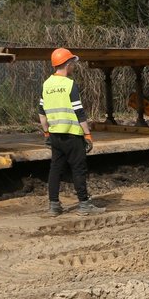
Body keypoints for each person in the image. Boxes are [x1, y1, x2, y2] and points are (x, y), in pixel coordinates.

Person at [38, 48, 103, 217]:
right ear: (67, 64)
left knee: (55, 169)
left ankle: (54, 206)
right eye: (72, 63)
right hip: (73, 135)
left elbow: (41, 112)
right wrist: (87, 134)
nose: (74, 66)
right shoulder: (69, 84)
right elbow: (79, 111)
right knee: (78, 169)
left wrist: (46, 133)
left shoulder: (46, 84)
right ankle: (84, 204)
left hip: (55, 135)